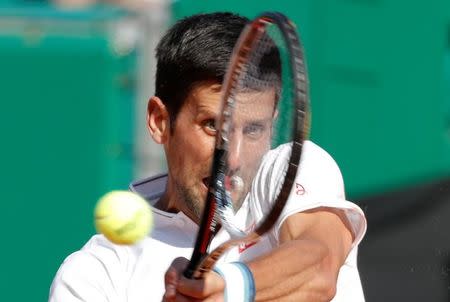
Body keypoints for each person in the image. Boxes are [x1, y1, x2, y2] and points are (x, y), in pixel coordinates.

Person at [49, 12, 367, 302]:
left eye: (254, 129)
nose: (235, 158)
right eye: (213, 126)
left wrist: (228, 289)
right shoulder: (94, 276)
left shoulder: (291, 171)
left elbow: (319, 267)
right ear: (160, 122)